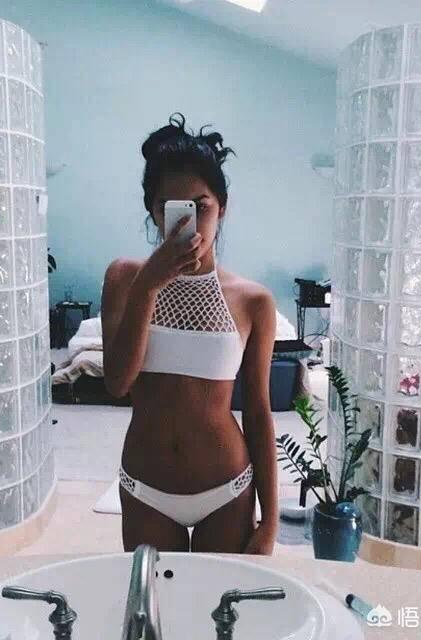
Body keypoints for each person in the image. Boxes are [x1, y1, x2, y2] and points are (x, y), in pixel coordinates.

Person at [101, 113, 278, 554]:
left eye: (202, 207)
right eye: (172, 210)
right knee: (154, 597)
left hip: (227, 490)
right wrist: (148, 286)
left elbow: (258, 413)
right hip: (146, 489)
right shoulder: (125, 278)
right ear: (152, 212)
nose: (189, 224)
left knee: (221, 600)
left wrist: (271, 522)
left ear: (223, 208)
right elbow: (118, 382)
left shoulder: (253, 301)